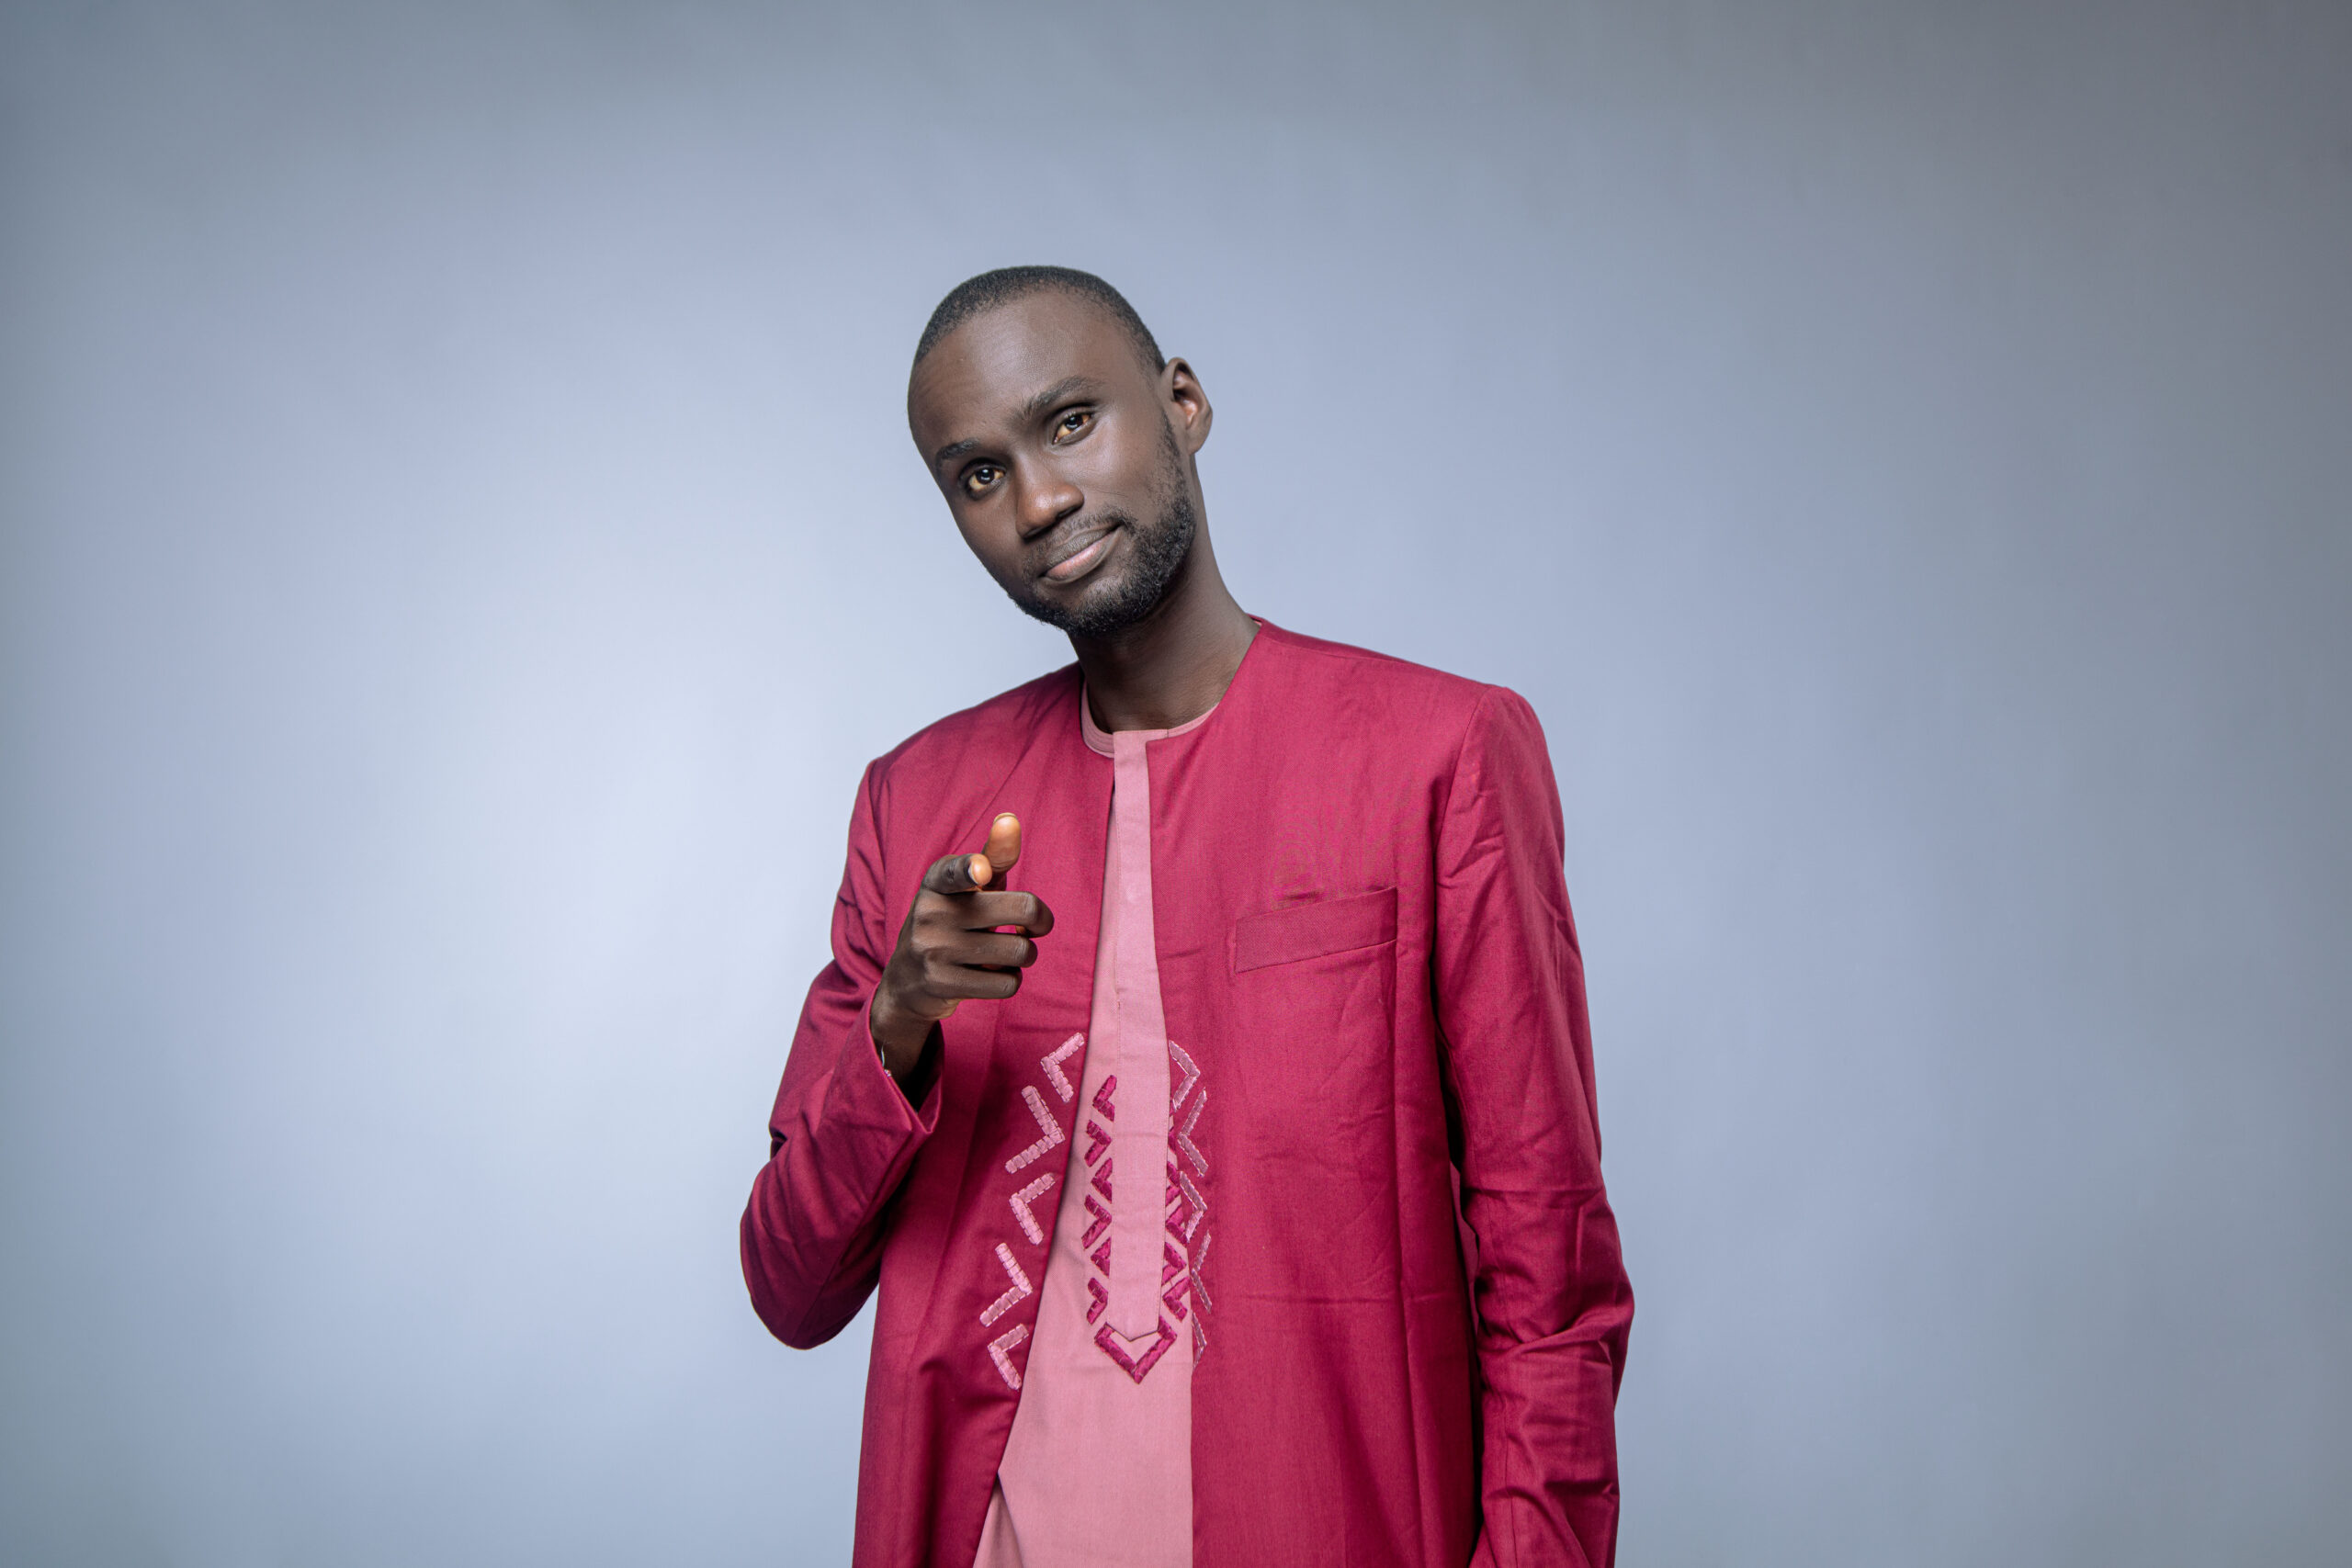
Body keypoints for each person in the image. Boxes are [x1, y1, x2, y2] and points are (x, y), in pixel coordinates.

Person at [741, 266, 1633, 1568]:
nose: (1039, 502)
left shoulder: (1435, 759)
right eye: (979, 476)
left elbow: (1552, 1284)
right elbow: (791, 1286)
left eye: (1069, 423)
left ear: (1184, 404)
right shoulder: (917, 803)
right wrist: (899, 1026)